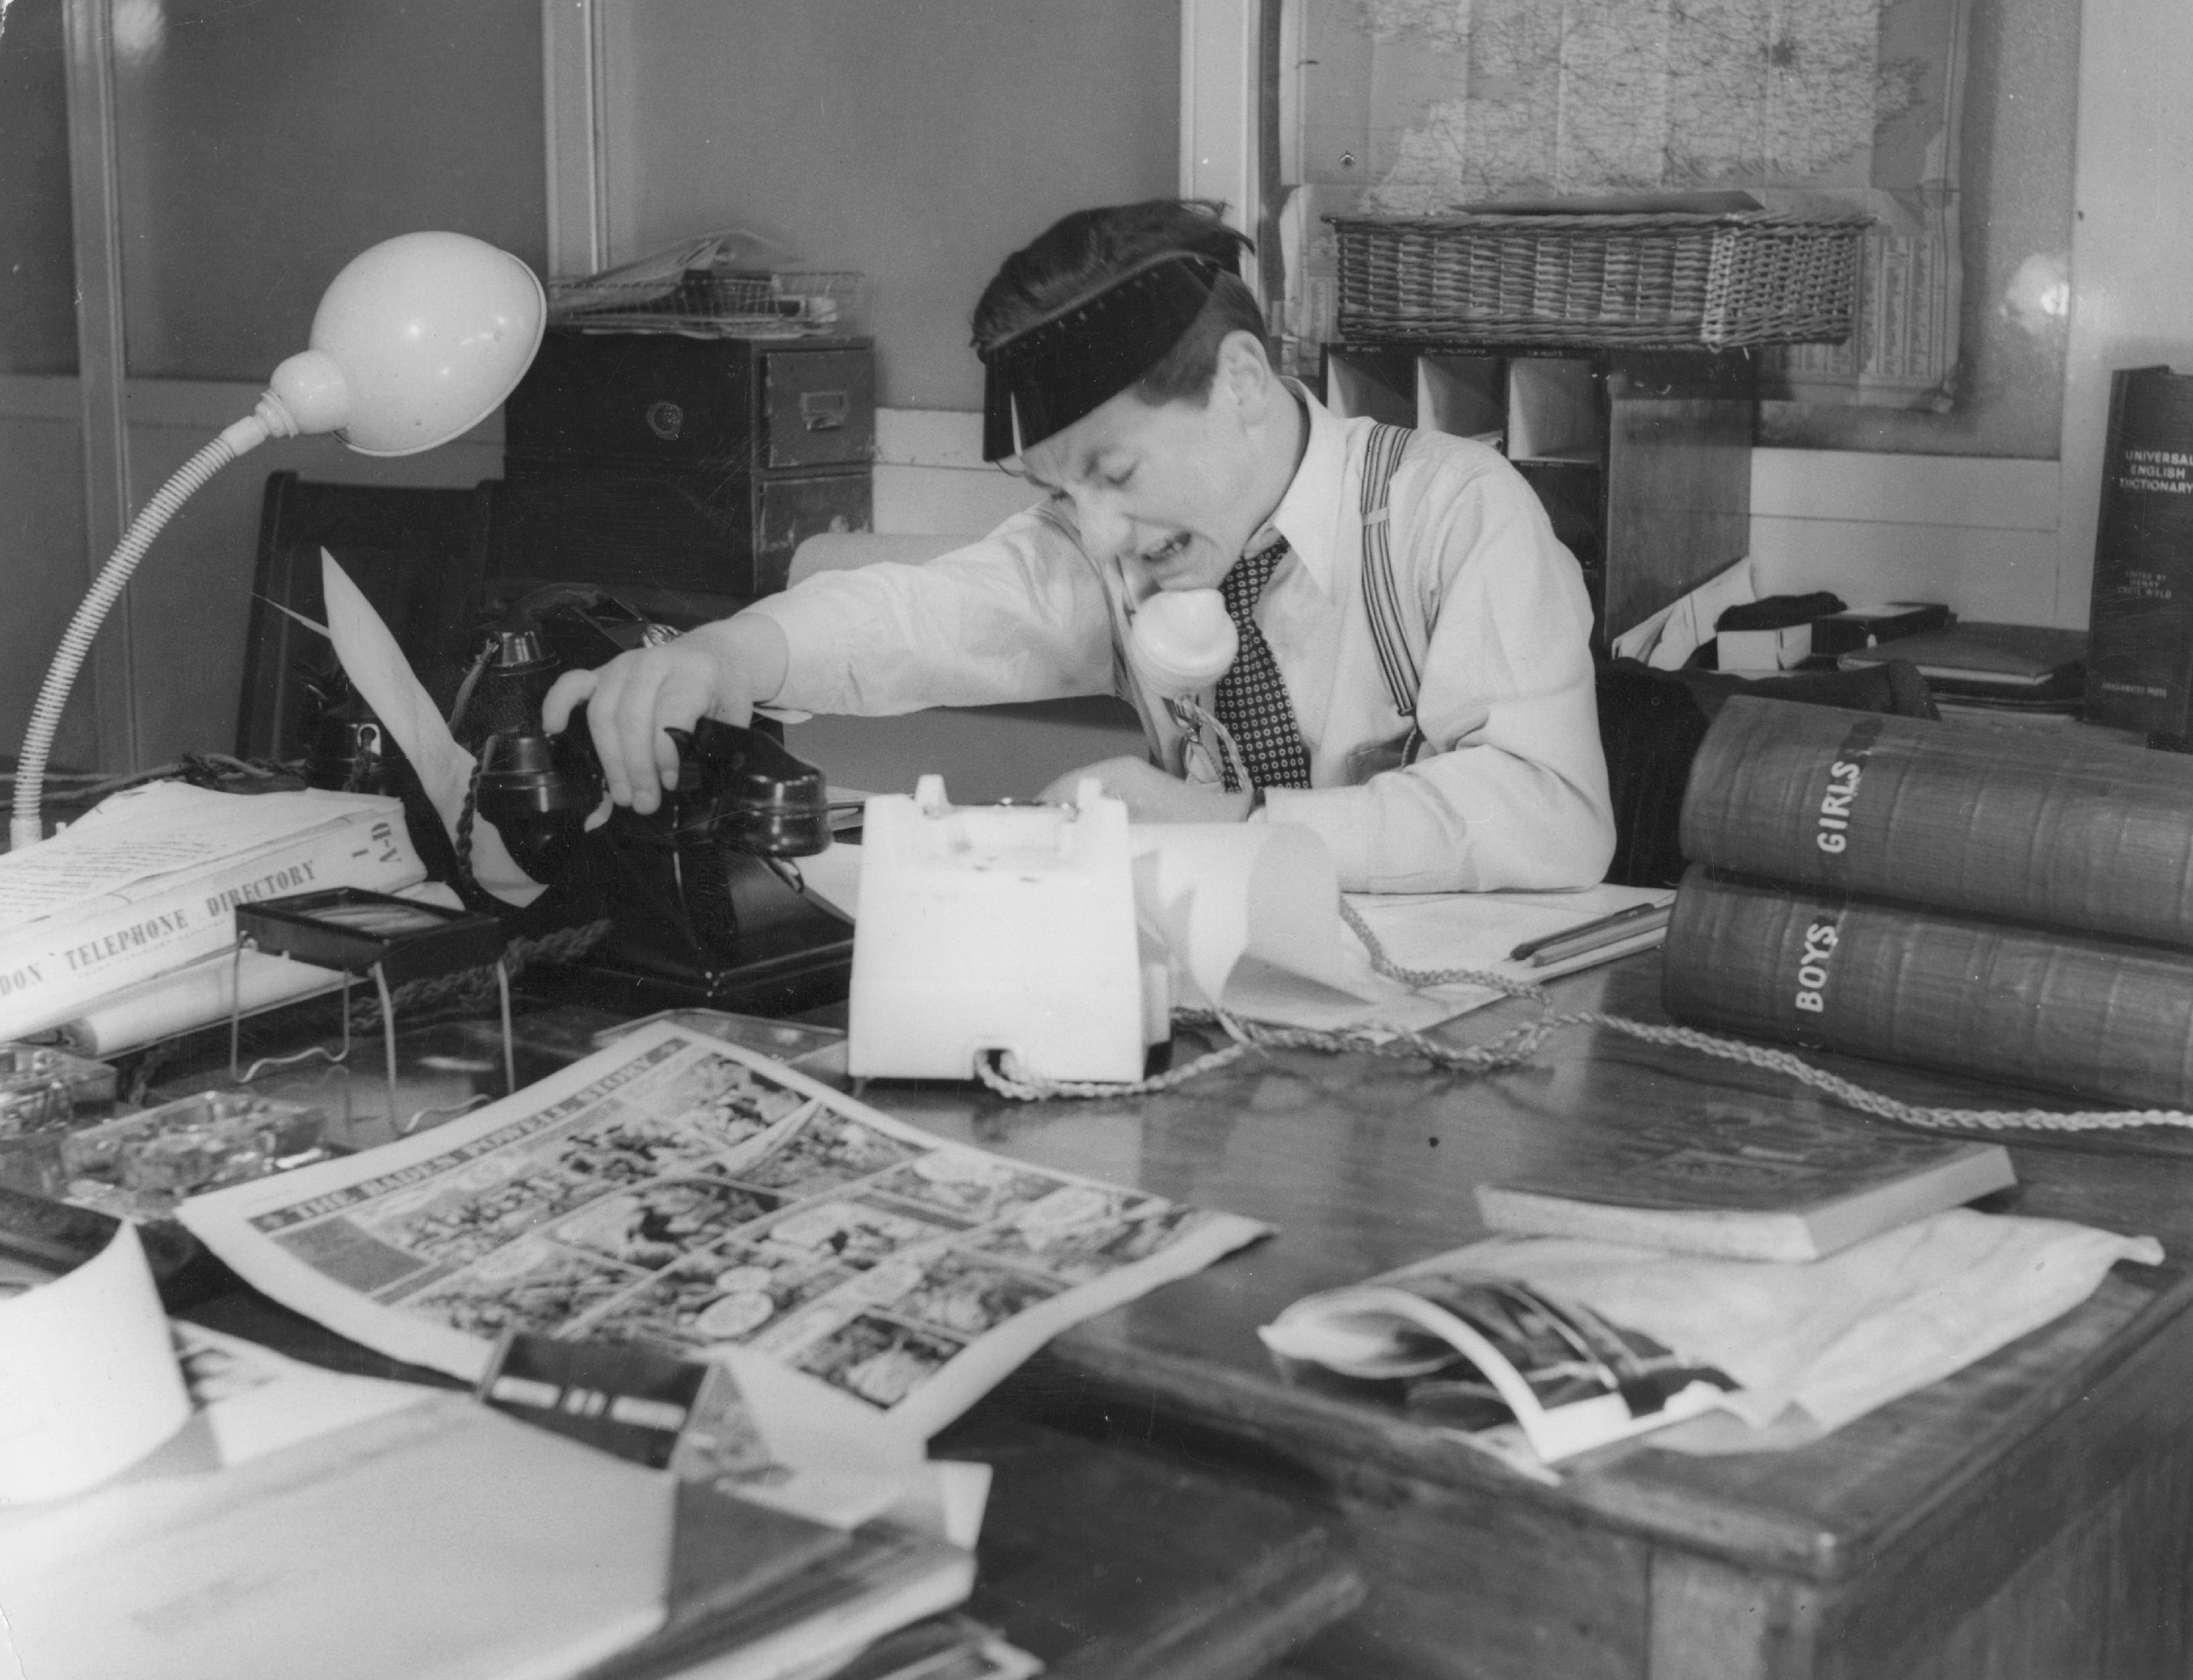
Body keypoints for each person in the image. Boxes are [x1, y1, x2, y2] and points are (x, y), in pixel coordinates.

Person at [546, 200, 1613, 894]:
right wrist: (730, 655)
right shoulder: (1114, 541)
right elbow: (927, 615)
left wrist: (1240, 823)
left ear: (1242, 382)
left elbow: (1554, 816)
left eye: (1115, 472)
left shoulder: (1451, 510)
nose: (1096, 533)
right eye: (1063, 490)